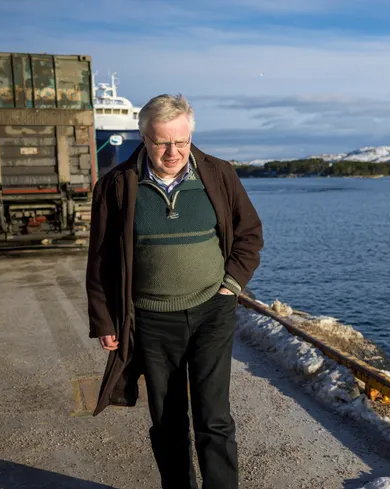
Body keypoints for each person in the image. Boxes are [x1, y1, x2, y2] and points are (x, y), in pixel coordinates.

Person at [86, 93, 263, 489]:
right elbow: (99, 257)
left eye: (180, 142)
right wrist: (104, 318)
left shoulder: (218, 174)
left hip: (210, 312)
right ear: (143, 137)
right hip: (150, 318)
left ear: (191, 137)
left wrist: (229, 286)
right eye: (162, 142)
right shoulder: (116, 185)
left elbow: (249, 235)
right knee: (166, 420)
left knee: (213, 417)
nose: (172, 152)